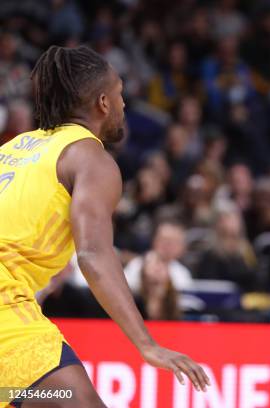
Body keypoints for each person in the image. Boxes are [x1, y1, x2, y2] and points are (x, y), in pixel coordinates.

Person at [0, 46, 209, 408]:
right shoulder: (90, 157)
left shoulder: (15, 147)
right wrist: (147, 344)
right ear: (103, 102)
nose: (124, 104)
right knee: (76, 401)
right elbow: (93, 254)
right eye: (121, 93)